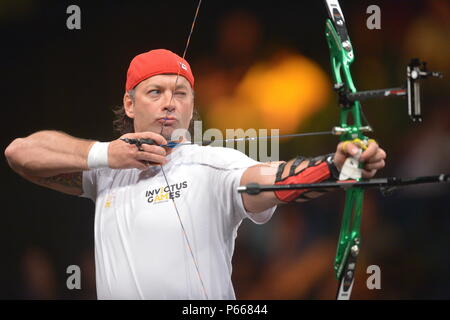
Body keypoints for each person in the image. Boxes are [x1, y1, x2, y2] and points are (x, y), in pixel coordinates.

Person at [4, 49, 386, 299]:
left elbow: (276, 179)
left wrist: (339, 165)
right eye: (155, 92)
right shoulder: (104, 174)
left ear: (192, 107)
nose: (170, 102)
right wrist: (107, 154)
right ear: (129, 103)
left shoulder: (213, 165)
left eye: (181, 93)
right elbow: (20, 153)